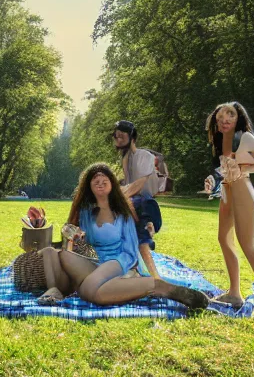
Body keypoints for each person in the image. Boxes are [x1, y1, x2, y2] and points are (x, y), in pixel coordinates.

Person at [37, 163, 209, 309]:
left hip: (120, 261)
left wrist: (115, 266)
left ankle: (160, 287)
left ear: (112, 184)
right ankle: (59, 290)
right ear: (88, 187)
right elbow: (81, 243)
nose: (100, 183)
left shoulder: (122, 213)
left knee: (88, 289)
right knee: (63, 256)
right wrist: (73, 236)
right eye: (95, 181)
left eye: (105, 181)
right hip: (97, 263)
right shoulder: (86, 213)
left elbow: (130, 252)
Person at [204, 102, 254, 317]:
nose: (225, 120)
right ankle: (234, 293)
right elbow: (221, 170)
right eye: (220, 117)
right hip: (226, 190)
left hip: (242, 188)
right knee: (224, 239)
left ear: (238, 117)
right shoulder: (220, 139)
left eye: (230, 115)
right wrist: (211, 179)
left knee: (247, 245)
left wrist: (242, 167)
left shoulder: (245, 137)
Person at [112, 120, 162, 279]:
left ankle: (156, 278)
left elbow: (139, 185)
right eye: (116, 136)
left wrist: (119, 196)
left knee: (142, 243)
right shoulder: (126, 158)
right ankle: (134, 269)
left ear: (131, 137)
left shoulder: (144, 156)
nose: (118, 140)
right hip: (133, 203)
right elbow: (129, 184)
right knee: (125, 237)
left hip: (146, 205)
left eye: (121, 136)